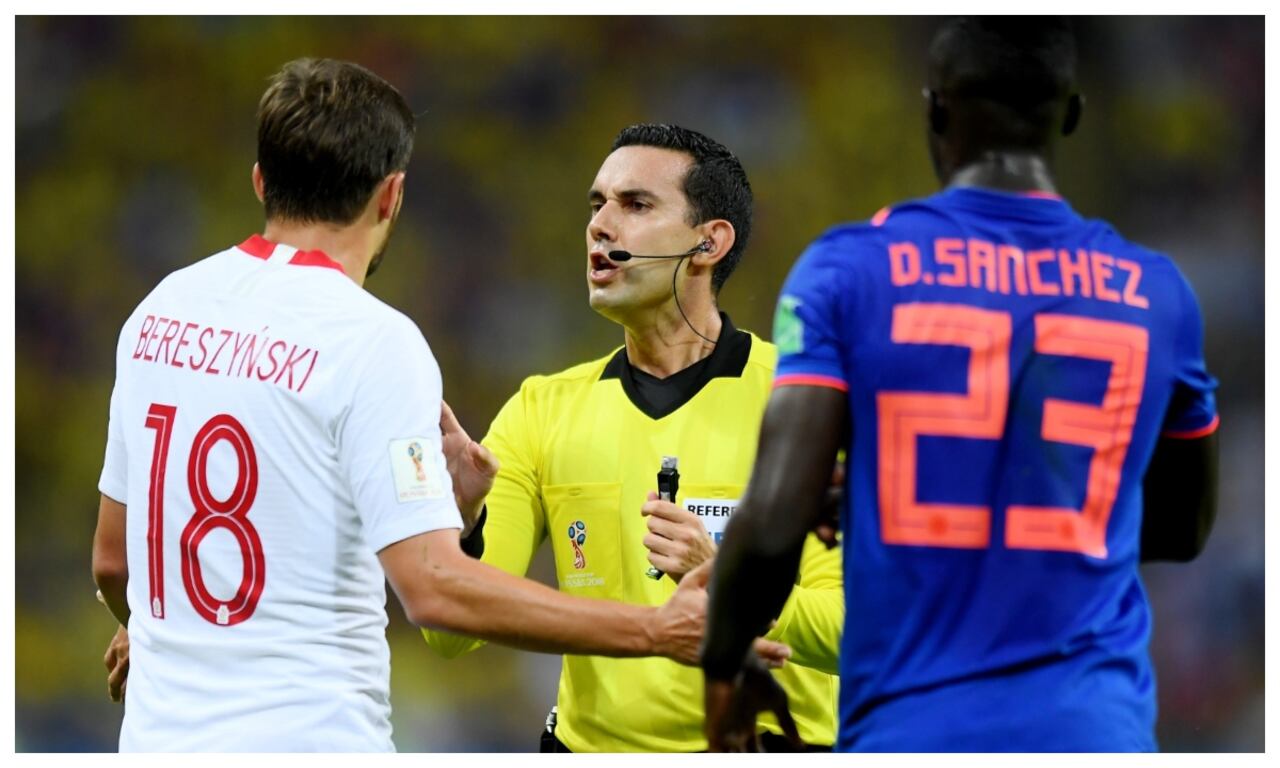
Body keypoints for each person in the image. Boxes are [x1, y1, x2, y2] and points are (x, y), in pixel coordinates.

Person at [89, 58, 746, 752]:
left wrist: (165, 631)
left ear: (261, 181)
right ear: (390, 197)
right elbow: (433, 590)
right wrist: (652, 629)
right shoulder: (371, 340)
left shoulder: (162, 310)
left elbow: (113, 561)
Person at [701, 17, 1220, 752]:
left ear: (935, 110)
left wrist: (724, 669)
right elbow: (1179, 529)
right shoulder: (1157, 294)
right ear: (1070, 115)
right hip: (1096, 733)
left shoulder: (850, 270)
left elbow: (774, 524)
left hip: (914, 731)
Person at [421, 124, 843, 752]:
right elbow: (453, 633)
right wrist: (462, 518)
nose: (600, 225)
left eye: (636, 205)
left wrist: (734, 588)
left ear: (709, 242)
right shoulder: (541, 409)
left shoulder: (804, 406)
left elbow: (857, 632)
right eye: (597, 205)